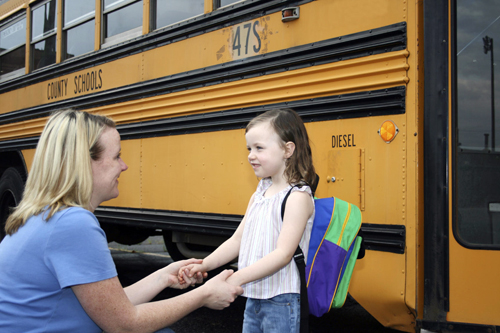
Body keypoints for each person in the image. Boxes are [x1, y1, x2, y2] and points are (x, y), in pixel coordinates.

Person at [0, 109, 243, 333]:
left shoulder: (43, 215)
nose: (124, 166)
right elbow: (125, 323)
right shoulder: (72, 223)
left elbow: (110, 307)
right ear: (84, 163)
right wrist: (204, 295)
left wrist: (162, 277)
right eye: (116, 156)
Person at [179, 108, 317, 332]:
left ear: (287, 149)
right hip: (253, 296)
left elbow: (283, 255)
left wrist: (237, 278)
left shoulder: (297, 197)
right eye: (249, 148)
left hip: (282, 300)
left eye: (259, 148)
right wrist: (204, 264)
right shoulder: (260, 193)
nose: (250, 155)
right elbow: (237, 240)